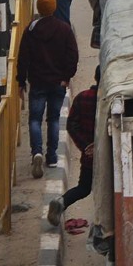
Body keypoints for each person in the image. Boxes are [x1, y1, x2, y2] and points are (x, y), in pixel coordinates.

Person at [17, 0, 77, 179]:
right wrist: (67, 77)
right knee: (53, 119)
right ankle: (51, 157)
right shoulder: (64, 29)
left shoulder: (31, 30)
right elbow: (72, 55)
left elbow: (23, 58)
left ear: (38, 9)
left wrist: (21, 81)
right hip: (57, 82)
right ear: (53, 8)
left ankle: (36, 152)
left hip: (37, 82)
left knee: (34, 119)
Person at [47, 67, 97, 226]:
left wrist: (86, 146)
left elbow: (71, 125)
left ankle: (61, 202)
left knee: (83, 188)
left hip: (89, 157)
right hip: (111, 159)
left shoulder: (83, 98)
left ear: (95, 77)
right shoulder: (112, 101)